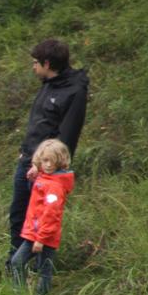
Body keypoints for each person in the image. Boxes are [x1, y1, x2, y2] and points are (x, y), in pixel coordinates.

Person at [8, 39, 88, 266]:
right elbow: (40, 124)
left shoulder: (75, 91)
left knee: (40, 219)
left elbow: (67, 137)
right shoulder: (48, 83)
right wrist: (26, 152)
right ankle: (14, 265)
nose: (33, 67)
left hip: (46, 169)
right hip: (29, 159)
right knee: (18, 215)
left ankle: (34, 270)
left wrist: (41, 164)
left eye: (36, 63)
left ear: (47, 63)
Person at [9, 139, 74, 295]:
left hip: (43, 235)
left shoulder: (55, 186)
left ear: (60, 162)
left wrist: (41, 239)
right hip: (34, 232)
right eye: (45, 160)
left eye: (53, 161)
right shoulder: (45, 178)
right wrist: (33, 179)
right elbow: (37, 198)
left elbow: (52, 214)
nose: (49, 165)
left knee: (42, 269)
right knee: (22, 263)